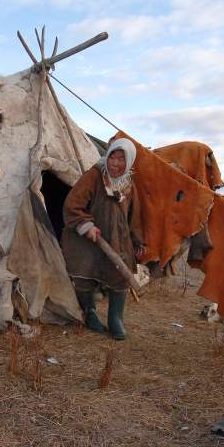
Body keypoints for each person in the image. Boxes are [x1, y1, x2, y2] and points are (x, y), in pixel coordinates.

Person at [61, 138, 145, 340]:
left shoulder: (129, 183)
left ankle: (116, 318)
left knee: (120, 277)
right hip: (88, 239)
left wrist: (138, 241)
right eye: (112, 158)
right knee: (84, 274)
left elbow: (134, 217)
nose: (115, 164)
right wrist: (86, 225)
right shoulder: (94, 176)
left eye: (121, 160)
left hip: (117, 238)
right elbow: (72, 205)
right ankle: (89, 313)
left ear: (130, 162)